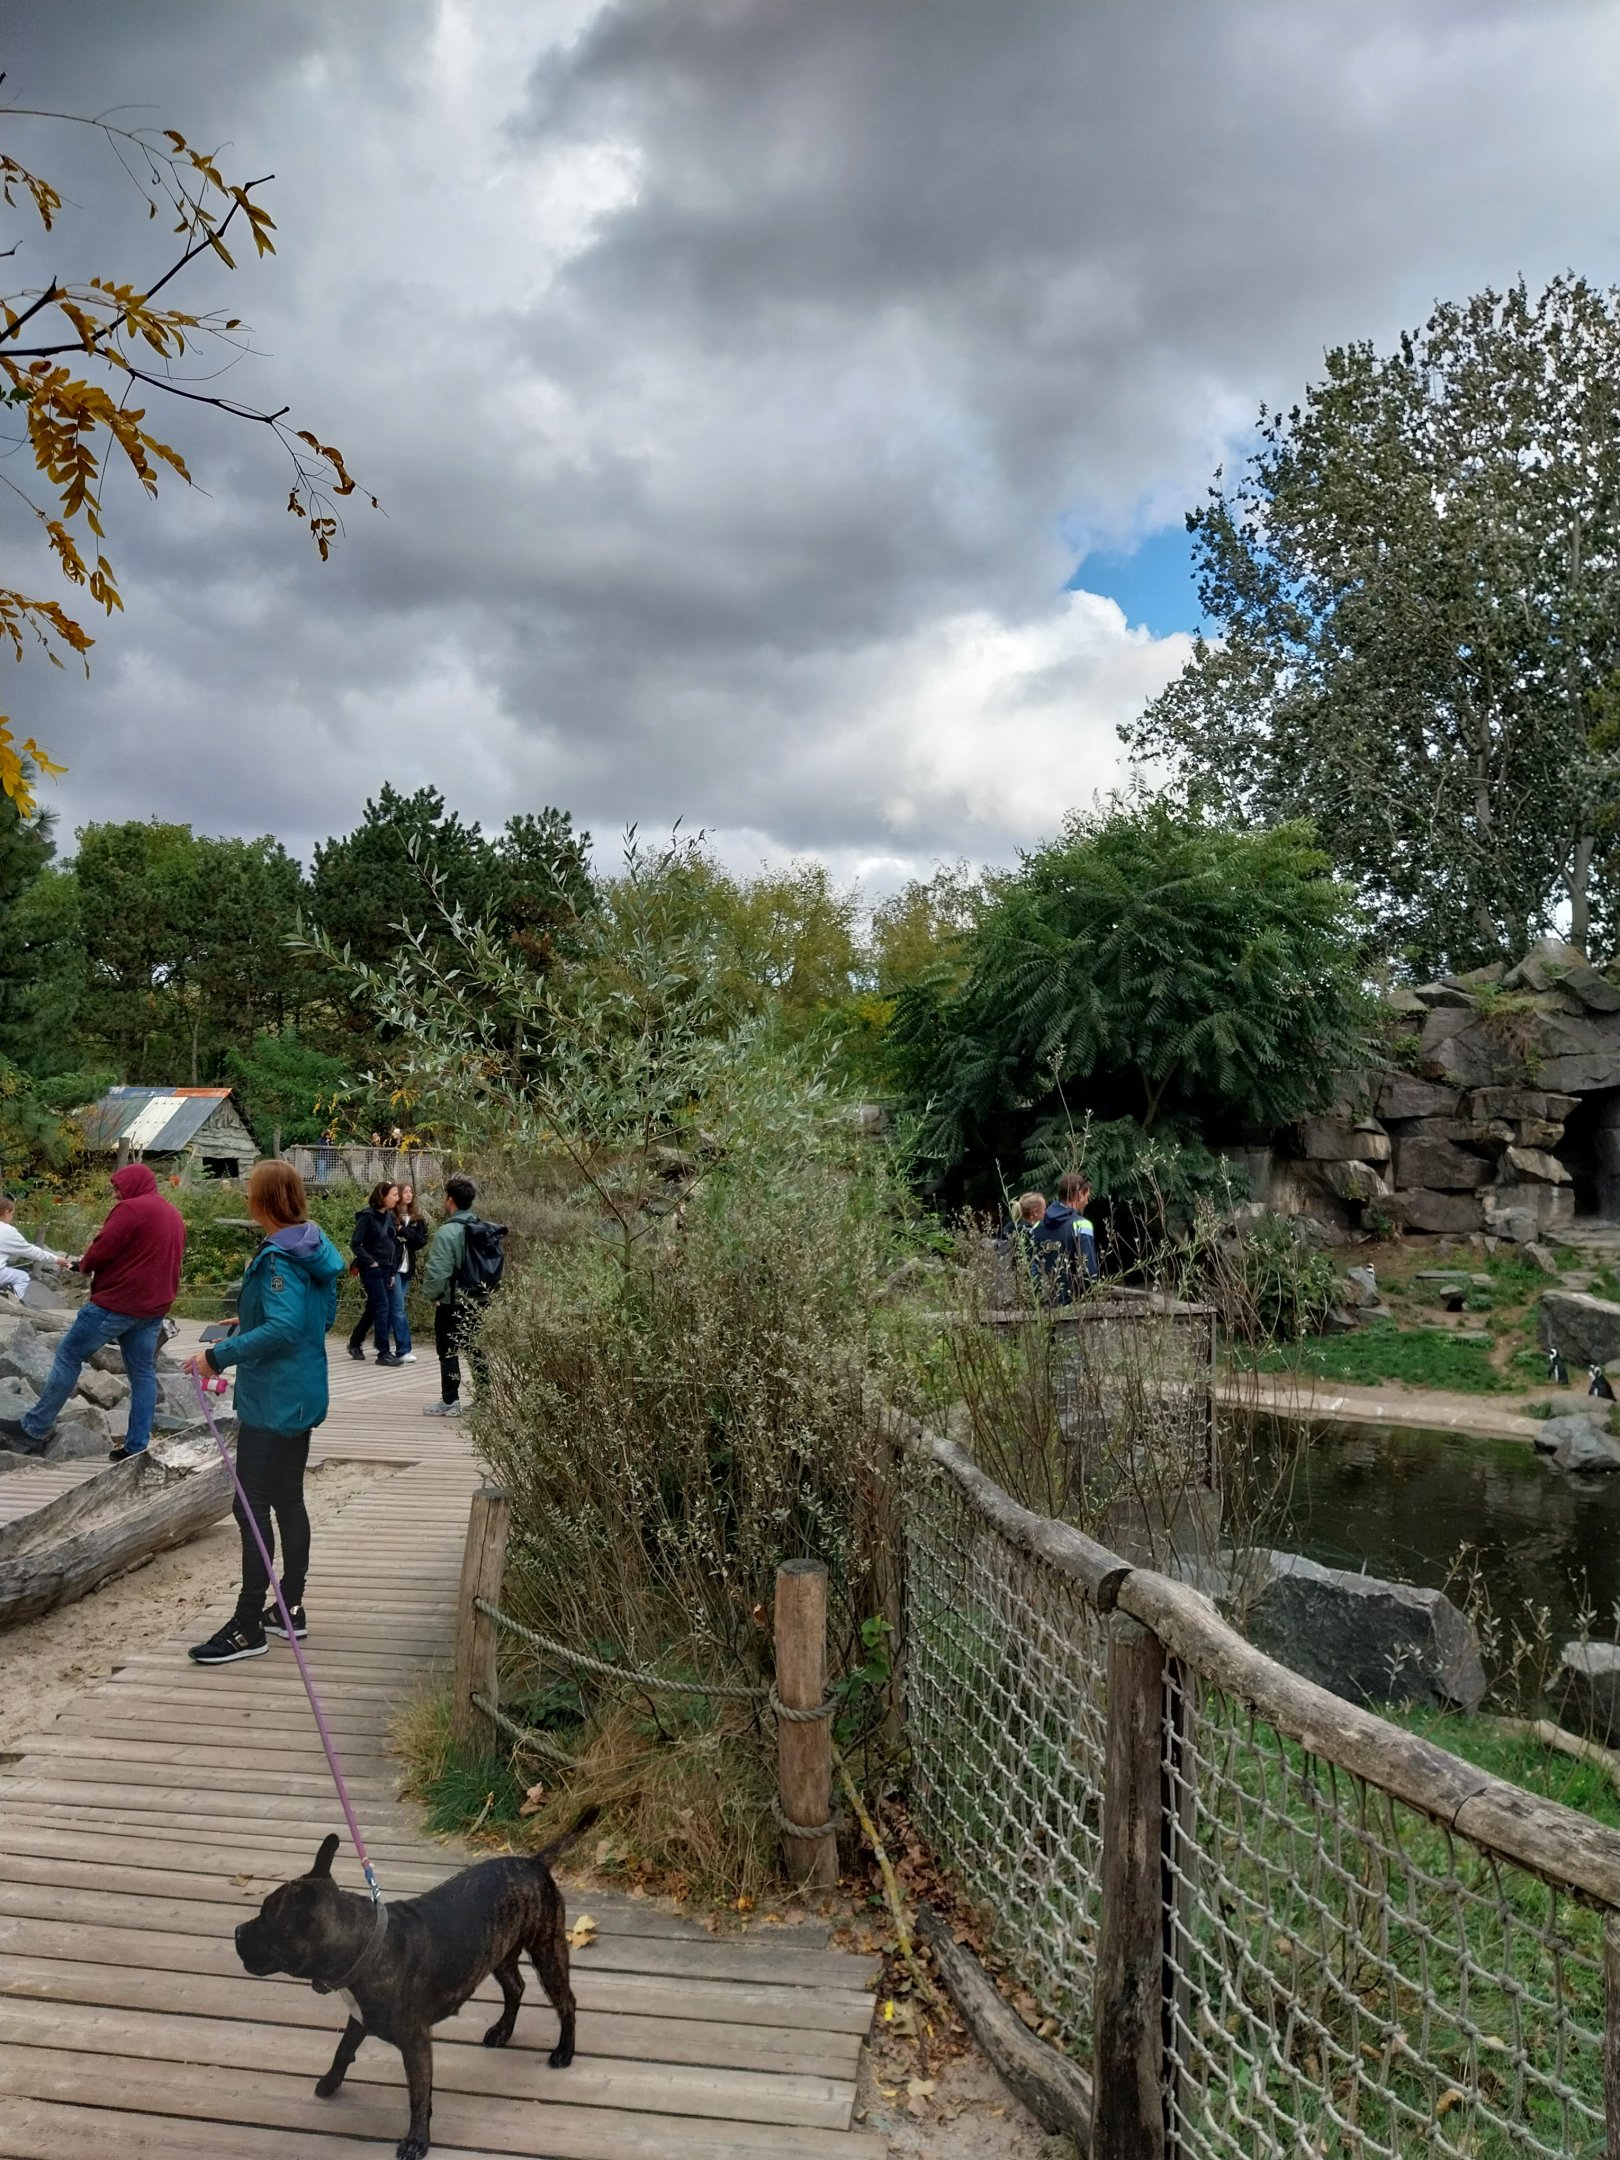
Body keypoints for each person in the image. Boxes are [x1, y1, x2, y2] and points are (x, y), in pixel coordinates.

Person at [184, 1159, 347, 1665]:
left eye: (249, 1190)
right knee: (286, 1498)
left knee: (250, 1506)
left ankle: (247, 1624)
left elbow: (285, 1328)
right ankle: (289, 1608)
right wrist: (248, 1318)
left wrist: (215, 1355)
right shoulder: (313, 1246)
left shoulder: (278, 1257)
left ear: (264, 1200)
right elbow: (320, 1317)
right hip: (301, 1393)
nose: (245, 1197)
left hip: (273, 1400)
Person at [0, 1162, 184, 1463]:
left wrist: (84, 1265)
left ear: (132, 1186)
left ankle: (34, 1428)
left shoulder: (131, 1209)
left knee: (69, 1355)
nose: (115, 1195)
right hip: (153, 1309)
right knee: (142, 1372)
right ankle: (137, 1444)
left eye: (118, 1188)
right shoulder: (172, 1214)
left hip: (116, 1303)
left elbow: (102, 1249)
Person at [421, 1174, 505, 1417]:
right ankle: (484, 1398)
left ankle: (450, 1401)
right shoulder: (482, 1228)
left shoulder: (448, 1232)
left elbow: (438, 1270)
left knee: (447, 1350)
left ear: (449, 1200)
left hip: (452, 1300)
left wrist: (432, 1294)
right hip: (479, 1298)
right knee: (475, 1348)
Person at [346, 1180, 403, 1368]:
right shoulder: (367, 1217)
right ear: (382, 1196)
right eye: (394, 1194)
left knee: (374, 1307)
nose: (397, 1198)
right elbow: (355, 1244)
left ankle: (355, 1341)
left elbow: (393, 1245)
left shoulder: (389, 1217)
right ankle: (383, 1352)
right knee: (382, 1306)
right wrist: (371, 1261)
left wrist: (393, 1271)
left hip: (387, 1268)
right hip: (372, 1269)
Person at [1031, 1172, 1099, 1304]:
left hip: (1043, 1308)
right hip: (1074, 1307)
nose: (1087, 1201)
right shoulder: (1081, 1225)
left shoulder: (1036, 1227)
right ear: (1079, 1195)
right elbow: (1089, 1272)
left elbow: (1031, 1268)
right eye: (1087, 1196)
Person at [0, 1194, 66, 1302]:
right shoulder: (7, 1231)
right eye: (12, 1214)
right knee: (22, 1277)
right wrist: (57, 1259)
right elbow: (32, 1252)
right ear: (7, 1212)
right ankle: (12, 1304)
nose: (12, 1217)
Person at [392, 1183, 428, 1363]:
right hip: (394, 1267)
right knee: (398, 1309)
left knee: (395, 1308)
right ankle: (404, 1349)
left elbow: (421, 1240)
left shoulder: (417, 1218)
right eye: (404, 1191)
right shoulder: (391, 1216)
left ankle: (375, 1340)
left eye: (410, 1191)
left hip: (408, 1267)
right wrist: (405, 1236)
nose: (408, 1194)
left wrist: (404, 1232)